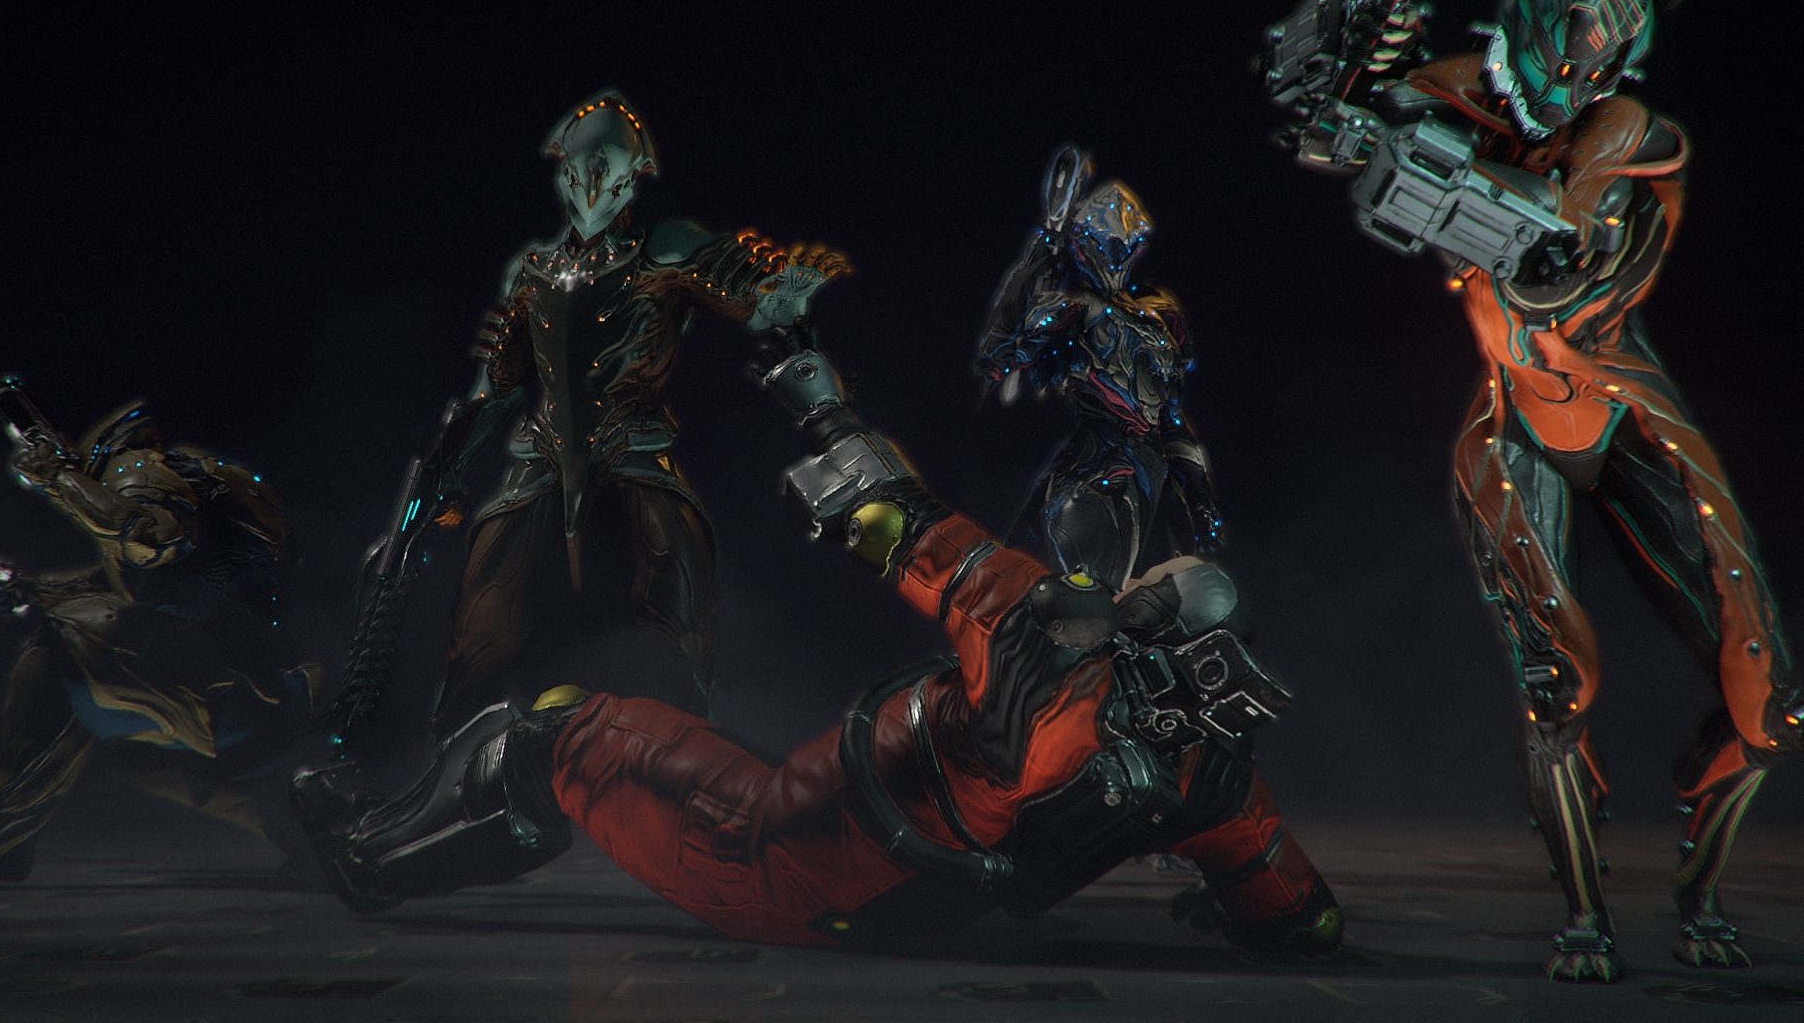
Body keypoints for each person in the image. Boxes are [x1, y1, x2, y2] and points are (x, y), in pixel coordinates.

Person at [290, 329, 1341, 959]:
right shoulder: (1216, 776)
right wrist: (1240, 908)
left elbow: (895, 519)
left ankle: (369, 859)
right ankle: (498, 825)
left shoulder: (1039, 621)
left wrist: (819, 401)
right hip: (904, 909)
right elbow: (1300, 917)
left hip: (771, 859)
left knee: (552, 731)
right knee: (692, 744)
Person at [1263, 0, 1796, 980]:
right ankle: (1587, 917)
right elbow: (1354, 134)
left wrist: (1408, 138)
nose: (1571, 82)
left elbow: (1556, 232)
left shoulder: (1627, 129)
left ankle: (1699, 899)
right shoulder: (1463, 92)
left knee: (1768, 705)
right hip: (1516, 424)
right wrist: (1351, 98)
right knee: (1555, 687)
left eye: (1592, 65)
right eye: (1561, 58)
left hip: (1625, 414)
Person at [328, 89, 850, 748]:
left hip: (634, 452)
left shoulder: (665, 246)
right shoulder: (532, 270)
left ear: (634, 175)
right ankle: (452, 763)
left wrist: (783, 299)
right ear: (562, 169)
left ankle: (691, 755)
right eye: (581, 163)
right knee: (481, 625)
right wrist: (442, 470)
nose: (593, 178)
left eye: (608, 164)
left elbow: (755, 297)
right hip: (540, 463)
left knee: (673, 608)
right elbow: (495, 389)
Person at [0, 396, 319, 888]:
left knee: (65, 646)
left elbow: (150, 536)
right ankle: (313, 840)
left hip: (228, 688)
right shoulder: (195, 484)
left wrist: (59, 478)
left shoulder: (135, 470)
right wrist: (31, 590)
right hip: (254, 696)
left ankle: (3, 829)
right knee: (142, 759)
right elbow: (131, 586)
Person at [976, 144, 1223, 585]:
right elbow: (999, 351)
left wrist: (1199, 490)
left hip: (1154, 474)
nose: (1115, 255)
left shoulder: (1159, 313)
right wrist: (1044, 245)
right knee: (1081, 580)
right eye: (1103, 245)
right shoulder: (1073, 308)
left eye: (1122, 246)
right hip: (1098, 464)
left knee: (1174, 592)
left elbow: (1169, 414)